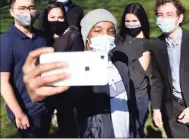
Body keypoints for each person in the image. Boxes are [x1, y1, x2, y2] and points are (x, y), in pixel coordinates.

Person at [22, 9, 140, 138]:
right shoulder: (76, 71)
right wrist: (39, 99)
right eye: (98, 31)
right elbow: (64, 102)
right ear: (87, 36)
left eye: (111, 31)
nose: (105, 36)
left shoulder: (121, 66)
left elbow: (131, 109)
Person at [148, 0, 189, 138]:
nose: (164, 19)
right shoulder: (156, 45)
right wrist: (156, 109)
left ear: (180, 18)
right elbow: (156, 80)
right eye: (160, 15)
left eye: (169, 14)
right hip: (173, 108)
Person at [0, 0, 52, 138]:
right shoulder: (6, 41)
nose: (27, 12)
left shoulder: (42, 37)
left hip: (45, 105)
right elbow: (3, 82)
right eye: (21, 8)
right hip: (26, 109)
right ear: (12, 12)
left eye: (31, 7)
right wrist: (19, 113)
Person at [41, 2, 84, 137]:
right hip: (45, 90)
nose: (57, 21)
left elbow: (76, 65)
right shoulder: (43, 37)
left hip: (66, 92)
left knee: (68, 130)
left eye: (60, 17)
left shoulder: (72, 36)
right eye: (52, 17)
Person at [115, 2, 151, 137]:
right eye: (127, 21)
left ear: (141, 21)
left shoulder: (146, 44)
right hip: (118, 93)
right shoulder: (120, 38)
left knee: (135, 132)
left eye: (134, 21)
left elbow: (139, 76)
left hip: (137, 97)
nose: (130, 24)